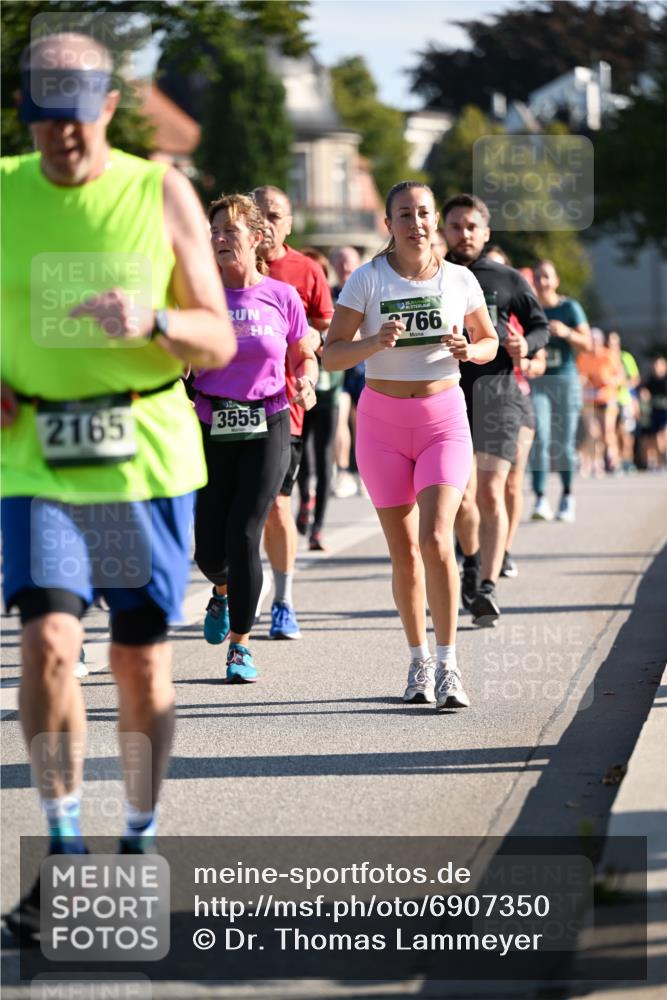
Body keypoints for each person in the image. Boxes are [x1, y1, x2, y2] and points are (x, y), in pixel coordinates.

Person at [1, 33, 236, 941]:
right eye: (43, 115)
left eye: (76, 114)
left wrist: (158, 318)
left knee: (139, 662)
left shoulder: (157, 191)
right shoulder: (8, 189)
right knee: (51, 642)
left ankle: (138, 840)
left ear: (106, 106)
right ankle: (62, 852)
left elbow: (218, 340)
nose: (61, 134)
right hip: (37, 457)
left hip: (138, 453)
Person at [324, 181, 498, 711]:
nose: (417, 223)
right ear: (389, 223)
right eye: (405, 214)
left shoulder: (460, 279)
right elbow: (331, 356)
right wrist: (373, 343)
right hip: (381, 424)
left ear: (434, 220)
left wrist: (470, 349)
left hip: (443, 419)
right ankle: (418, 658)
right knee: (404, 553)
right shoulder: (367, 279)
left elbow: (488, 342)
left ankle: (449, 665)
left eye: (424, 213)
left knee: (437, 539)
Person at [192, 195, 317, 680]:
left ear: (257, 237)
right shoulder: (199, 296)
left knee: (246, 532)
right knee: (208, 548)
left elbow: (304, 352)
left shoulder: (281, 296)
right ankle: (221, 590)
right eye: (215, 230)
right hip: (211, 423)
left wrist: (306, 377)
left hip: (269, 421)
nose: (221, 239)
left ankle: (241, 644)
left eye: (230, 230)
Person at [442, 195, 549, 625]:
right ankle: (470, 561)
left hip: (498, 395)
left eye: (471, 226)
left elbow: (539, 325)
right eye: (455, 226)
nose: (463, 234)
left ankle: (486, 586)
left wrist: (528, 345)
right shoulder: (434, 277)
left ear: (485, 233)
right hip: (447, 395)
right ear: (443, 231)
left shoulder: (506, 279)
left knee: (489, 492)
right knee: (459, 498)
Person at [252, 187, 334, 638]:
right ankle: (230, 587)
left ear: (289, 223)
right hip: (223, 406)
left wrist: (307, 359)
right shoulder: (221, 266)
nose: (265, 222)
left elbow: (324, 325)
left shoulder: (306, 270)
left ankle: (282, 599)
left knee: (277, 506)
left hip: (284, 405)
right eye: (258, 214)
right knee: (230, 510)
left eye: (275, 215)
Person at [483, 246, 545, 577]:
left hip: (517, 400)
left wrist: (524, 355)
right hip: (479, 399)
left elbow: (539, 362)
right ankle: (479, 549)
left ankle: (504, 549)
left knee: (510, 483)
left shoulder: (517, 311)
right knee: (481, 485)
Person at [530, 260, 592, 521]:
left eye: (547, 277)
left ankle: (567, 496)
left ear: (555, 281)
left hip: (565, 381)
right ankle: (540, 499)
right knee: (540, 438)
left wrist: (566, 332)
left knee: (563, 443)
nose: (542, 282)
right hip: (538, 382)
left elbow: (587, 343)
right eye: (538, 277)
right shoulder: (529, 309)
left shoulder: (569, 308)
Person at [296, 248, 343, 550]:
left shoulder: (337, 307)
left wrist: (324, 345)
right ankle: (305, 502)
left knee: (324, 458)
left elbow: (345, 347)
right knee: (302, 454)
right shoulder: (294, 305)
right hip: (301, 391)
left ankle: (319, 528)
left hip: (328, 393)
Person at [331, 246, 365, 498]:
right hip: (340, 372)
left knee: (363, 423)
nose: (345, 267)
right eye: (340, 262)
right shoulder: (330, 294)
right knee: (340, 420)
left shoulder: (367, 290)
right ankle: (342, 472)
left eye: (349, 262)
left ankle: (365, 474)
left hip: (364, 369)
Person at [577, 328, 624, 476]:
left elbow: (621, 378)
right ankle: (596, 463)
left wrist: (609, 380)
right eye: (591, 340)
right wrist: (583, 381)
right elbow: (580, 377)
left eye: (596, 340)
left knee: (608, 432)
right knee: (593, 432)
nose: (593, 343)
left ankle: (614, 461)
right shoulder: (583, 357)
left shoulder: (609, 356)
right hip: (589, 399)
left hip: (608, 398)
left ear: (601, 341)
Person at [608, 331, 640, 472]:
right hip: (609, 400)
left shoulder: (625, 357)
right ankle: (616, 461)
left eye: (614, 343)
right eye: (609, 343)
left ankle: (628, 460)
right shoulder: (605, 357)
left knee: (625, 431)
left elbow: (635, 378)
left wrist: (623, 384)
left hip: (624, 400)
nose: (612, 346)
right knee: (611, 431)